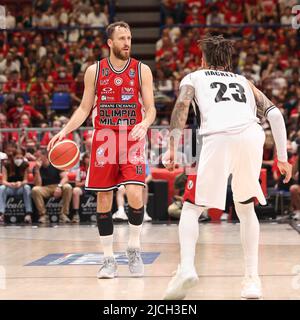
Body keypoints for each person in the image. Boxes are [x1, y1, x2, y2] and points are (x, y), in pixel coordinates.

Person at [162, 35, 292, 300]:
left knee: (190, 206)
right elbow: (276, 115)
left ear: (203, 59)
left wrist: (172, 146)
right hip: (251, 136)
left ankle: (186, 268)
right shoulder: (245, 82)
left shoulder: (194, 77)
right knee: (245, 207)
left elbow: (182, 107)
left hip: (218, 137)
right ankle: (252, 280)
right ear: (229, 61)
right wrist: (282, 158)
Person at [48, 21, 156, 279]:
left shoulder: (142, 70)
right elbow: (85, 108)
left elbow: (150, 108)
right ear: (109, 42)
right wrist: (65, 131)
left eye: (129, 38)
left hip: (131, 138)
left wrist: (144, 122)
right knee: (104, 200)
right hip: (103, 138)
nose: (127, 42)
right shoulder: (94, 71)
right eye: (121, 38)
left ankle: (134, 248)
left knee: (135, 193)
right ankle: (108, 259)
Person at [31, 149, 72, 224]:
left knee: (68, 187)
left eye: (38, 156)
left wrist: (59, 187)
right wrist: (37, 170)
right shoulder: (36, 168)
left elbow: (65, 178)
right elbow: (38, 184)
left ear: (45, 156)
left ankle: (64, 214)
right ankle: (43, 215)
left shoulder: (55, 164)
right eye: (36, 157)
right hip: (45, 188)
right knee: (35, 189)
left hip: (57, 185)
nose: (36, 159)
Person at [0, 149, 33, 223]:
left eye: (21, 158)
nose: (19, 160)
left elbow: (26, 180)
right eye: (17, 158)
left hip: (20, 188)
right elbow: (3, 181)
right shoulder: (6, 165)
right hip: (10, 188)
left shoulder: (25, 165)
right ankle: (1, 214)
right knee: (1, 188)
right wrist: (10, 184)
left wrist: (20, 183)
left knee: (27, 187)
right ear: (13, 157)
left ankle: (28, 214)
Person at [71, 152, 90, 223]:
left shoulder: (96, 169)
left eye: (90, 157)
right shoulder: (80, 170)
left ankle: (103, 213)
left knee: (102, 190)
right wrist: (84, 183)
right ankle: (76, 214)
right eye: (87, 158)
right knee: (75, 190)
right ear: (84, 160)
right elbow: (76, 184)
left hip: (94, 188)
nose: (89, 159)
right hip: (84, 187)